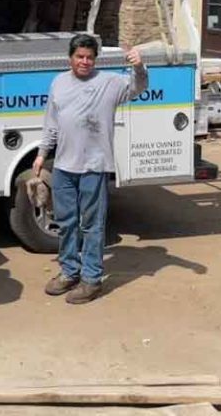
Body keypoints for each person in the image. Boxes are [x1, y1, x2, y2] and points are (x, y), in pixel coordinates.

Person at [34, 33, 147, 304]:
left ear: (95, 59)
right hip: (63, 166)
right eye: (79, 57)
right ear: (70, 58)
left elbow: (138, 87)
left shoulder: (110, 82)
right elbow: (51, 123)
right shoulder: (59, 83)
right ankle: (70, 271)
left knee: (92, 225)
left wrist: (139, 67)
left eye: (89, 57)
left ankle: (92, 279)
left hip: (94, 166)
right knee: (66, 222)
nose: (84, 62)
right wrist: (41, 154)